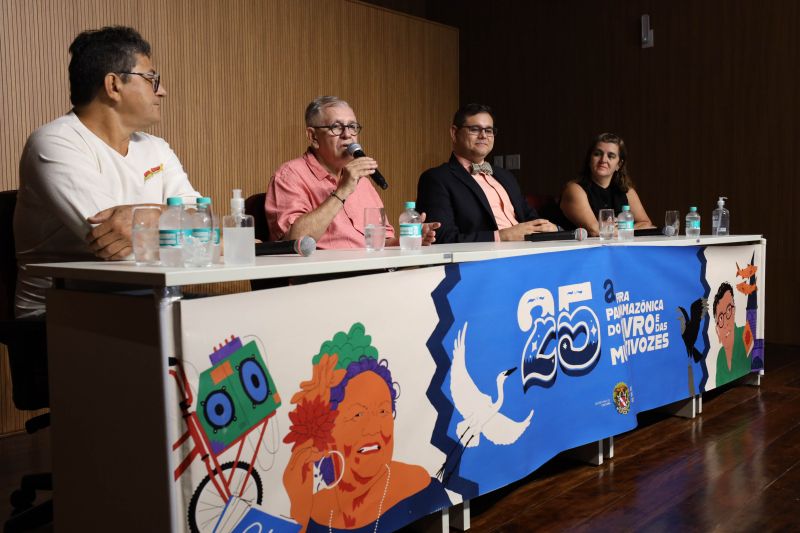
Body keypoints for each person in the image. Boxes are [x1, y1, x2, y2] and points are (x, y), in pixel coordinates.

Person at [14, 26, 200, 318]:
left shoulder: (157, 147)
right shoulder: (54, 142)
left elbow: (203, 226)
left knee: (230, 325)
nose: (162, 91)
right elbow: (117, 247)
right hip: (60, 313)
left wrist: (150, 216)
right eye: (152, 78)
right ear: (113, 85)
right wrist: (180, 224)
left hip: (149, 299)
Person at [283, 323, 451, 532]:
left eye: (383, 411)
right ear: (327, 432)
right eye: (357, 415)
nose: (373, 428)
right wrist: (299, 508)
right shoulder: (311, 510)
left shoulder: (422, 492)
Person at [266, 96, 438, 249]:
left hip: (370, 273)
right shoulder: (290, 176)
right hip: (325, 279)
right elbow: (293, 242)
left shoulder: (362, 180)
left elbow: (381, 242)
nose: (347, 134)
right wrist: (343, 190)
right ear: (313, 137)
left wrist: (409, 240)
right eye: (336, 127)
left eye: (352, 127)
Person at [416, 103, 558, 243]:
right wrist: (501, 236)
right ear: (454, 133)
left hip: (528, 252)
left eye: (489, 130)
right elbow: (442, 238)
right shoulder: (436, 178)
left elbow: (530, 217)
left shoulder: (505, 176)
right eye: (475, 129)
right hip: (484, 260)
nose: (483, 135)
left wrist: (550, 228)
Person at [559, 132, 653, 236]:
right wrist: (626, 228)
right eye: (597, 154)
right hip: (578, 251)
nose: (603, 160)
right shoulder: (574, 189)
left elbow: (646, 224)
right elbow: (595, 231)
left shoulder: (627, 191)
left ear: (619, 164)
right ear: (589, 159)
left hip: (616, 249)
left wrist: (618, 228)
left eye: (611, 156)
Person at [713, 282, 753, 387]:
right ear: (717, 330)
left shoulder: (745, 335)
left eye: (729, 310)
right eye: (720, 318)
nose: (726, 322)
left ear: (734, 311)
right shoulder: (721, 357)